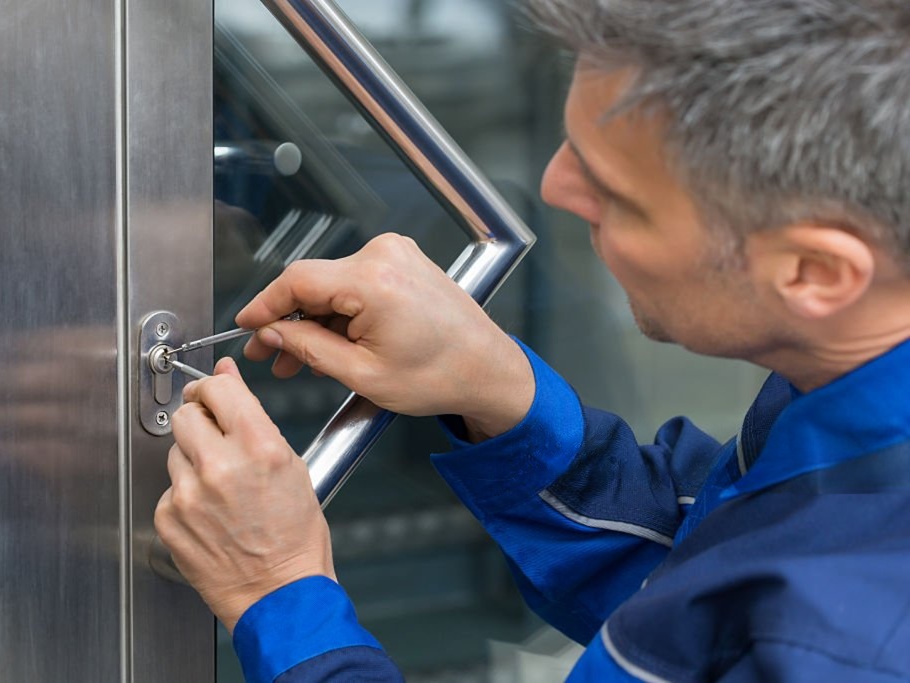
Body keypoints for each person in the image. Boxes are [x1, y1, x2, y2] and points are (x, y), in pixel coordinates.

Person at [154, 0, 910, 680]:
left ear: (815, 272)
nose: (551, 188)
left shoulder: (850, 645)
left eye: (617, 195)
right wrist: (501, 393)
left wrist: (281, 594)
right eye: (571, 146)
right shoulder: (849, 385)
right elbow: (696, 606)